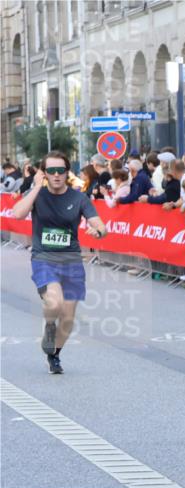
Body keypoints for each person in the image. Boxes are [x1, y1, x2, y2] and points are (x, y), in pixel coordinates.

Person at [10, 151, 107, 374]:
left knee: (69, 316)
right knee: (54, 304)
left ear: (67, 172)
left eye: (60, 171)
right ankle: (49, 327)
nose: (56, 175)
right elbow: (17, 214)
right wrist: (35, 186)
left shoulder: (78, 197)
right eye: (50, 171)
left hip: (71, 261)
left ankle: (54, 355)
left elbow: (101, 226)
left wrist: (98, 231)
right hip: (44, 258)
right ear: (44, 173)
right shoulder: (38, 195)